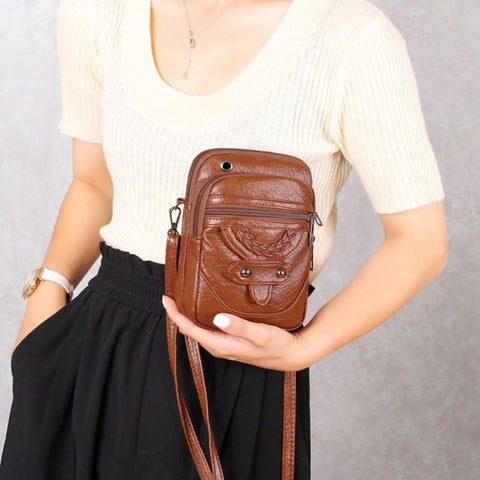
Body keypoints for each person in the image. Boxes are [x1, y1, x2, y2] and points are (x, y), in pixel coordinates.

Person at [0, 0, 448, 478]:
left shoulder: (354, 39)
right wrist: (47, 292)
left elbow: (419, 241)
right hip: (96, 351)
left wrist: (304, 347)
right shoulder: (97, 11)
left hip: (235, 370)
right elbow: (94, 183)